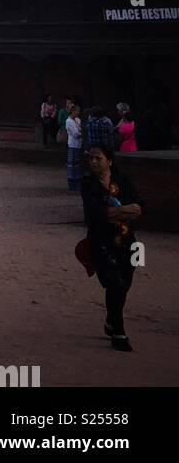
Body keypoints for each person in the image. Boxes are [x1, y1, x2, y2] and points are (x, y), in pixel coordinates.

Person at [80, 145, 143, 352]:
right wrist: (123, 210)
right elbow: (96, 213)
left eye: (98, 158)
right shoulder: (89, 184)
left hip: (129, 243)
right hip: (101, 242)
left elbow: (139, 207)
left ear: (109, 161)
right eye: (91, 158)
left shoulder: (122, 182)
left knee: (125, 283)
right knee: (114, 282)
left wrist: (117, 212)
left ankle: (110, 319)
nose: (94, 162)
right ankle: (118, 330)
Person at [62, 102, 84, 191]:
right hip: (73, 145)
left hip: (78, 144)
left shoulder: (77, 120)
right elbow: (75, 134)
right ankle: (72, 183)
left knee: (77, 165)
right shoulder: (69, 121)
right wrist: (83, 133)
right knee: (72, 165)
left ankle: (77, 182)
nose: (78, 113)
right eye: (76, 111)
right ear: (73, 111)